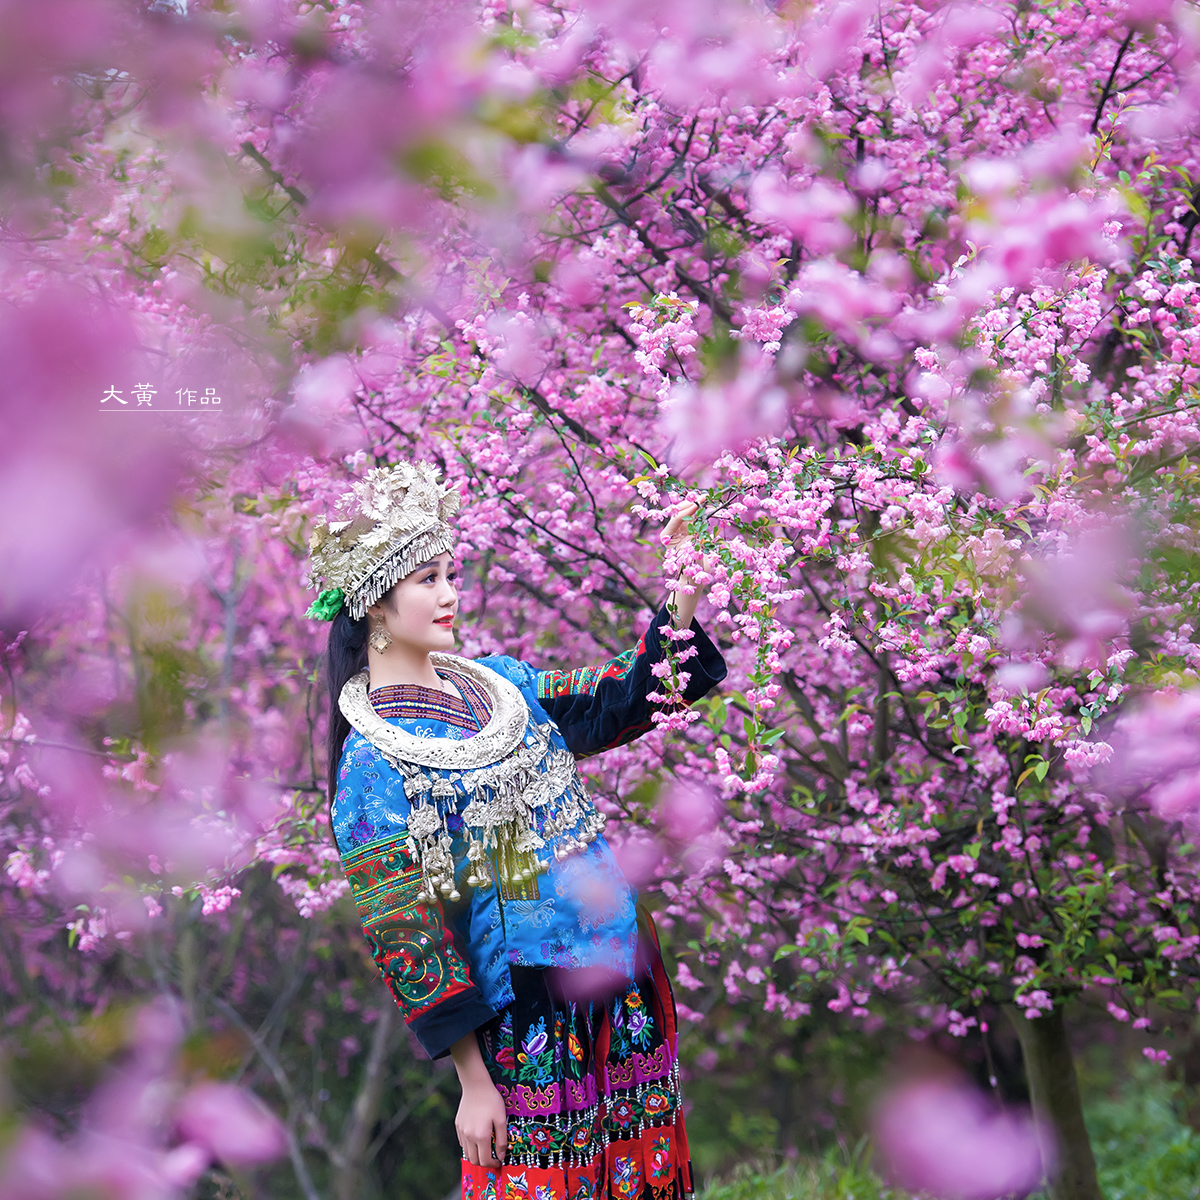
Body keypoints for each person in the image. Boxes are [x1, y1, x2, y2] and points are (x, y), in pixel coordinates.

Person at [306, 461, 727, 1200]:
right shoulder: (372, 763)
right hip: (522, 1007)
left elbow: (617, 700)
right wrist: (473, 1081)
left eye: (450, 574)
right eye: (427, 579)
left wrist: (682, 600)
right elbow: (406, 932)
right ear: (374, 605)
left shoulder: (502, 685)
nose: (448, 595)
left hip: (615, 971)